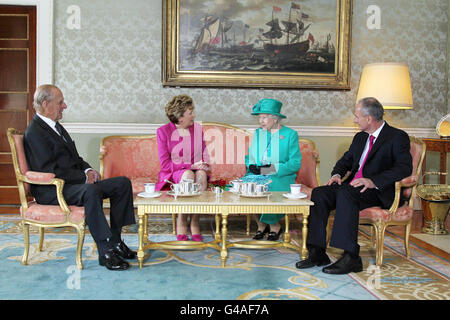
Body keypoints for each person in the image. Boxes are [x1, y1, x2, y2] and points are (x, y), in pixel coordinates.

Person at [23, 85, 137, 271]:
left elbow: (75, 159)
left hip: (72, 185)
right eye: (60, 102)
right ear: (46, 104)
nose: (65, 106)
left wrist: (88, 170)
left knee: (122, 183)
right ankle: (105, 250)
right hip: (52, 190)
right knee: (91, 190)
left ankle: (116, 242)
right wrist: (84, 179)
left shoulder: (56, 127)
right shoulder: (35, 132)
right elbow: (49, 170)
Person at [295, 97, 412, 274]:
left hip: (375, 191)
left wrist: (373, 181)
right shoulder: (360, 137)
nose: (355, 120)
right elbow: (346, 160)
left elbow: (404, 167)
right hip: (350, 188)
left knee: (346, 193)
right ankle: (317, 252)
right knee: (319, 193)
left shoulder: (397, 137)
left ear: (369, 119)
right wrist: (336, 175)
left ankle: (351, 257)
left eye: (357, 116)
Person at [243, 98, 302, 241]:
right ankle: (261, 225)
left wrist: (268, 169)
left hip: (279, 175)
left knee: (267, 185)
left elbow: (295, 163)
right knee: (245, 187)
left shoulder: (289, 135)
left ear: (275, 118)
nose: (261, 121)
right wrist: (250, 164)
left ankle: (274, 226)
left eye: (264, 117)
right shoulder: (259, 133)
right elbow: (251, 155)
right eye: (259, 118)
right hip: (257, 174)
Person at [156, 94, 210, 242]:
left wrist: (202, 164)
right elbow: (166, 164)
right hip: (173, 174)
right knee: (187, 174)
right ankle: (181, 221)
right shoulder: (163, 132)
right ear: (180, 117)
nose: (194, 115)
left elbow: (203, 153)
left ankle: (194, 222)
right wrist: (190, 166)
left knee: (201, 175)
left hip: (194, 169)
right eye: (190, 112)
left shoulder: (197, 129)